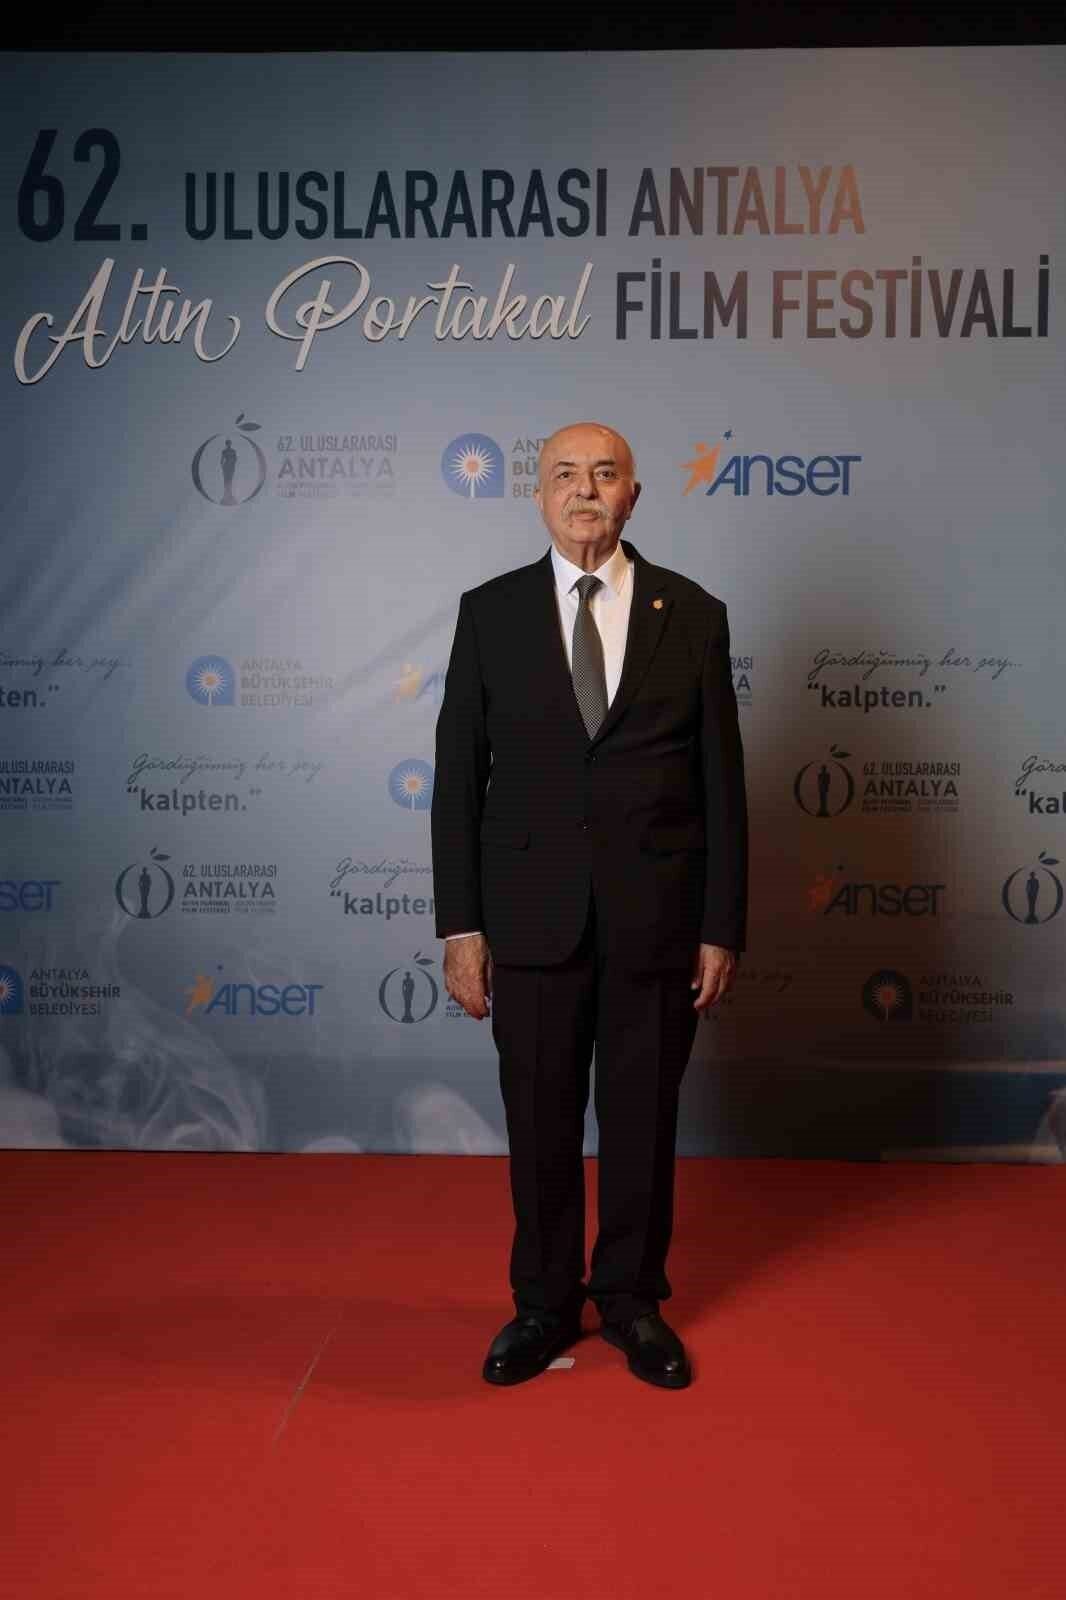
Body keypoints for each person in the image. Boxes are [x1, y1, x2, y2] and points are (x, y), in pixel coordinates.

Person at [431, 422, 748, 1390]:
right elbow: (457, 780)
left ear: (632, 495)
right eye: (565, 474)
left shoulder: (692, 612)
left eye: (604, 474)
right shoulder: (488, 612)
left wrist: (720, 924)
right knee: (539, 1120)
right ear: (538, 495)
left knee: (642, 1118)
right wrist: (462, 927)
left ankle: (631, 1300)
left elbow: (722, 782)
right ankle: (541, 1302)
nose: (584, 490)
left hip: (658, 919)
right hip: (528, 919)